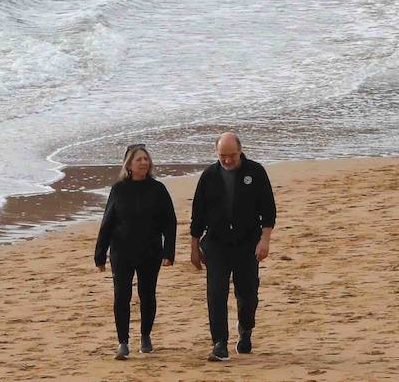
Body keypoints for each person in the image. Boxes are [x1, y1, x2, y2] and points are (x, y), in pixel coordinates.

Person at [190, 132, 277, 363]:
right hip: (216, 244)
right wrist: (194, 246)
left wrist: (265, 240)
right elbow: (197, 214)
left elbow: (268, 210)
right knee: (216, 294)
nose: (227, 161)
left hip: (247, 243)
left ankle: (245, 329)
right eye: (222, 156)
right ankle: (219, 344)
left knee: (248, 295)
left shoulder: (255, 172)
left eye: (232, 156)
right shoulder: (209, 176)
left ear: (240, 151)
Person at [95, 143, 177, 359]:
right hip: (121, 251)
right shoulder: (118, 189)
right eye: (139, 159)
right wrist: (100, 254)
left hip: (150, 251)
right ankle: (122, 342)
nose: (144, 162)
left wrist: (169, 252)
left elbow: (170, 222)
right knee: (121, 295)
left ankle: (145, 336)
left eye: (146, 159)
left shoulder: (158, 189)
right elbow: (108, 222)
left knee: (147, 294)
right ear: (129, 165)